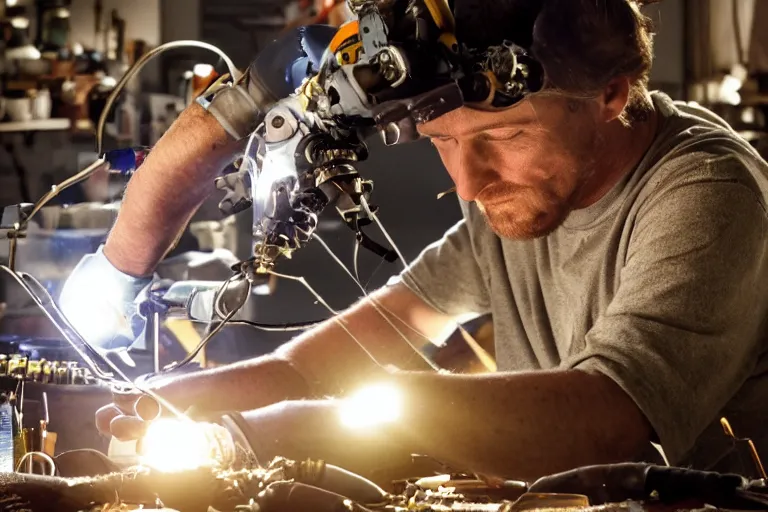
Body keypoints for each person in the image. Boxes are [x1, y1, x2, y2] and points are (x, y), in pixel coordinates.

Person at [65, 0, 768, 482]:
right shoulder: (525, 196)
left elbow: (608, 418)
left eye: (505, 136)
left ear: (611, 96)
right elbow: (372, 338)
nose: (469, 182)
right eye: (442, 143)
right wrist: (175, 400)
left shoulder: (705, 190)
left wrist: (283, 430)